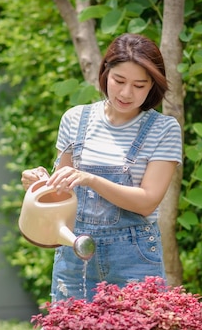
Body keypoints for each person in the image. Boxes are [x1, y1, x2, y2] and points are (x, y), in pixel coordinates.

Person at [21, 33, 182, 302]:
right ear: (105, 72)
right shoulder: (75, 119)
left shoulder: (163, 129)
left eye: (139, 85)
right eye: (119, 80)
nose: (126, 93)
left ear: (152, 85)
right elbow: (61, 194)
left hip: (134, 259)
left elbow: (147, 202)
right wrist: (39, 182)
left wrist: (90, 179)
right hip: (75, 255)